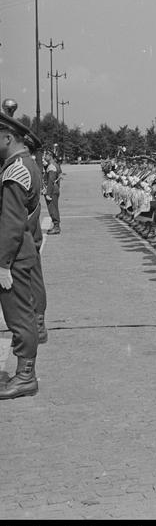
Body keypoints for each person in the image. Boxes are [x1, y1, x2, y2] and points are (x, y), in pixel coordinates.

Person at [0, 111, 44, 400]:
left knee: (19, 319)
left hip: (13, 256)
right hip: (20, 252)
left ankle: (25, 376)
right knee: (20, 315)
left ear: (7, 138)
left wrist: (3, 263)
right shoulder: (24, 164)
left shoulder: (16, 171)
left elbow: (12, 222)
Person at [43, 149, 62, 235]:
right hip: (55, 188)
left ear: (50, 156)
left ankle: (56, 227)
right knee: (54, 208)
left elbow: (51, 180)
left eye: (46, 155)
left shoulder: (52, 166)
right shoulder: (55, 165)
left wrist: (48, 193)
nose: (44, 157)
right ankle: (56, 226)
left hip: (52, 189)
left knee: (52, 209)